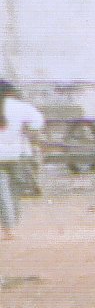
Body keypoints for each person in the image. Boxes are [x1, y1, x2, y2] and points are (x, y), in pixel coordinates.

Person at [0, 77, 40, 235]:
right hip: (19, 154)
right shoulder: (21, 107)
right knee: (15, 188)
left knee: (2, 190)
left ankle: (7, 225)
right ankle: (13, 220)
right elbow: (37, 123)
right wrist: (26, 128)